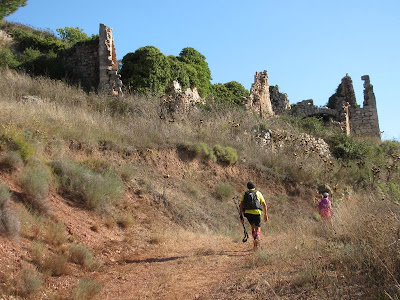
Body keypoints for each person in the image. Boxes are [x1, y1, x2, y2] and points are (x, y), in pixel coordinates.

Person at [239, 182, 268, 250]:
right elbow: (264, 204)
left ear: (247, 187)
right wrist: (265, 214)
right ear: (254, 187)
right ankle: (257, 238)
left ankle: (255, 245)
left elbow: (241, 205)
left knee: (252, 227)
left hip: (247, 213)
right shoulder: (258, 193)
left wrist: (241, 215)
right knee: (258, 228)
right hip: (257, 212)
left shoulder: (245, 193)